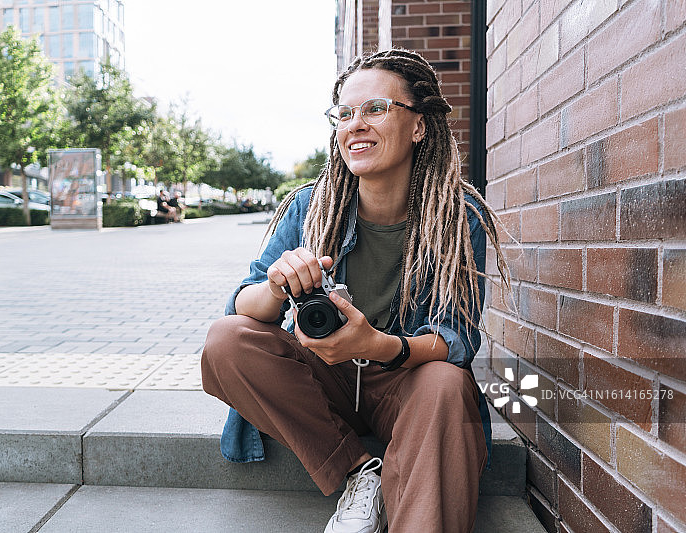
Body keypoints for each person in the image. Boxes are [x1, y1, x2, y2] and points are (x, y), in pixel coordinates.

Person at [201, 48, 509, 533]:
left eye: (375, 109)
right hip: (325, 380)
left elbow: (457, 340)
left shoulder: (458, 218)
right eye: (344, 113)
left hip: (402, 382)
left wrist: (377, 345)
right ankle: (359, 472)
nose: (355, 124)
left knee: (447, 382)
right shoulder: (311, 206)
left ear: (419, 125)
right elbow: (242, 303)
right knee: (227, 338)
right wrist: (279, 285)